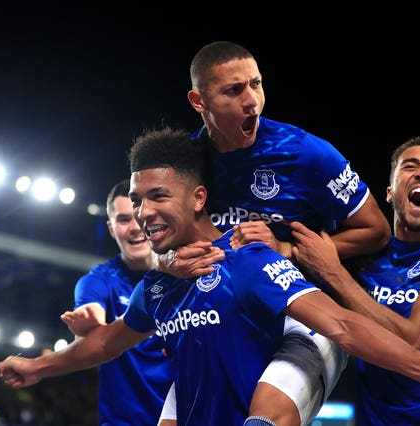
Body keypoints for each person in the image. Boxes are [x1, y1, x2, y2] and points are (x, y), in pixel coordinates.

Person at [0, 127, 420, 426]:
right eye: (138, 202)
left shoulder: (248, 260)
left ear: (199, 198)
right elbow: (107, 343)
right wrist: (37, 368)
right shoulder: (161, 284)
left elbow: (343, 326)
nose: (144, 213)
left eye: (158, 197)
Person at [156, 40, 392, 426]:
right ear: (199, 101)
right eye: (234, 90)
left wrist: (287, 248)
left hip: (308, 313)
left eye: (256, 84)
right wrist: (166, 260)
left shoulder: (305, 153)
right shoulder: (185, 164)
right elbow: (158, 240)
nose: (252, 101)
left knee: (265, 421)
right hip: (227, 314)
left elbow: (376, 231)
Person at [288, 136, 420, 425]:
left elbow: (414, 340)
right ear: (389, 192)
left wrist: (334, 273)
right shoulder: (363, 258)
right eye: (410, 166)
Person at [64, 179, 173, 425]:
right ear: (111, 228)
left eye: (138, 216)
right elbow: (90, 309)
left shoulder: (187, 272)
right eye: (124, 220)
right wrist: (89, 325)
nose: (135, 227)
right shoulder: (98, 281)